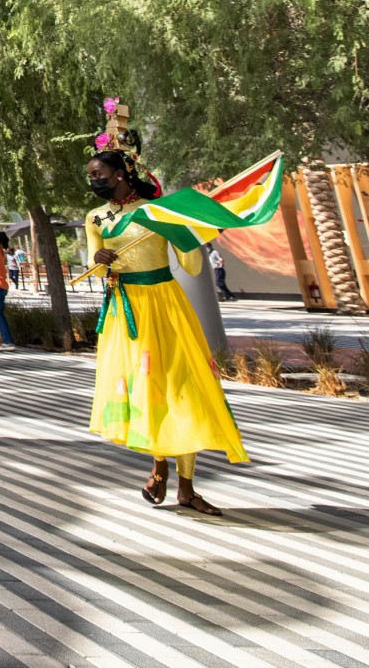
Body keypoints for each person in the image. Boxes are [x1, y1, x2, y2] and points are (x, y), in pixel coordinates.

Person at [86, 149, 246, 514]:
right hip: (125, 311)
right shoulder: (96, 217)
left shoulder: (158, 212)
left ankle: (187, 488)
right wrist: (100, 261)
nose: (94, 181)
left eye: (99, 174)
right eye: (90, 176)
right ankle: (159, 467)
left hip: (166, 306)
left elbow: (189, 266)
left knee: (183, 391)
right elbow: (97, 272)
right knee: (149, 392)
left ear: (122, 173)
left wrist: (191, 233)